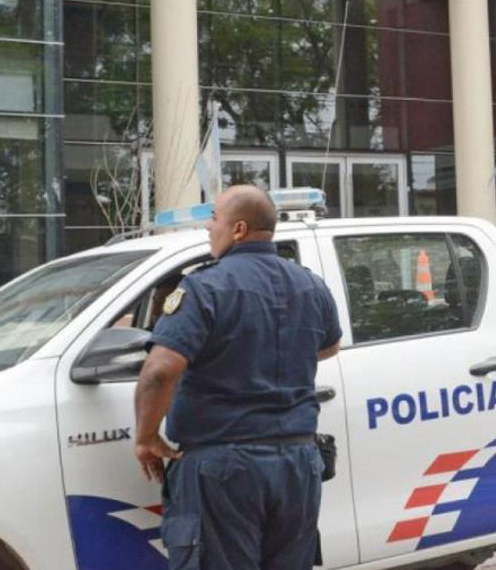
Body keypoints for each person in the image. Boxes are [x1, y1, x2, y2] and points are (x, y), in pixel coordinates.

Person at [134, 185, 342, 570]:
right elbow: (329, 347)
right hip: (298, 464)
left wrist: (146, 438)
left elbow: (160, 371)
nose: (209, 228)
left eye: (214, 218)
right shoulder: (310, 284)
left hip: (225, 468)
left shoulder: (204, 287)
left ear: (239, 229)